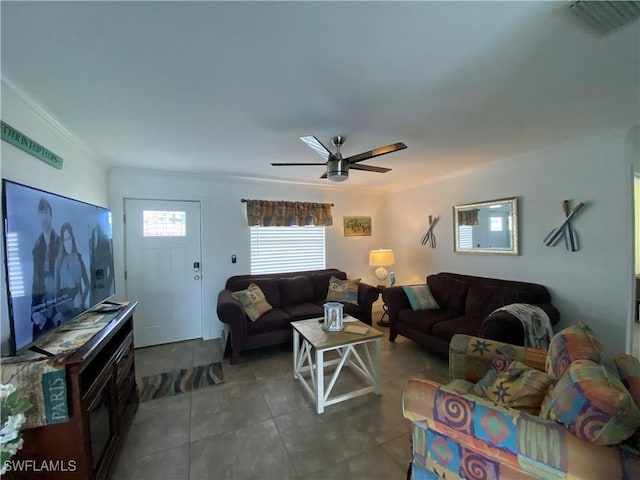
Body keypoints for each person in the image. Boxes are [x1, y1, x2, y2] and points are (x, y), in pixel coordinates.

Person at [31, 198, 60, 337]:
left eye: (46, 212)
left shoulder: (60, 243)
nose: (44, 217)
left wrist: (61, 310)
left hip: (59, 309)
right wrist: (34, 311)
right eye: (41, 213)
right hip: (42, 311)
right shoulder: (37, 247)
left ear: (51, 215)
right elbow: (35, 281)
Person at [54, 222, 90, 319]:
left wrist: (82, 299)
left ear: (72, 239)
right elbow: (56, 296)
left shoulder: (78, 258)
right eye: (65, 240)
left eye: (69, 239)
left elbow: (87, 284)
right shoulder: (58, 262)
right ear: (62, 242)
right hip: (66, 314)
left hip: (80, 311)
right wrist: (71, 304)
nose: (67, 243)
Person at [88, 214, 114, 306]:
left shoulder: (104, 240)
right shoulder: (90, 240)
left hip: (103, 286)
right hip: (92, 286)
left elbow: (111, 267)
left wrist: (108, 286)